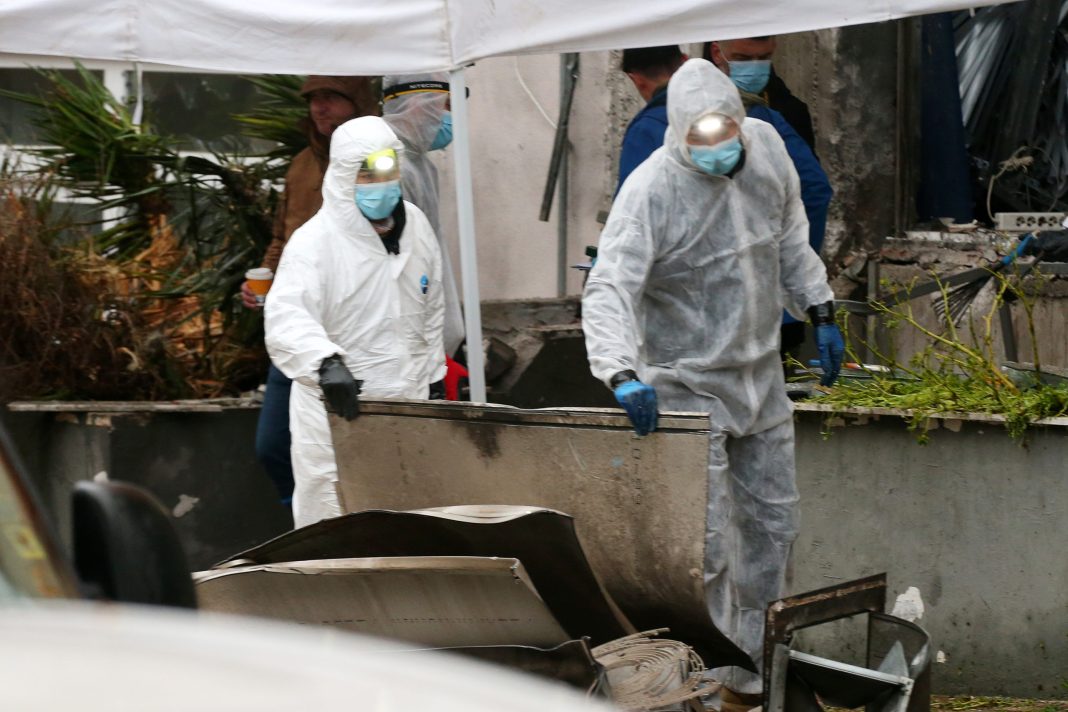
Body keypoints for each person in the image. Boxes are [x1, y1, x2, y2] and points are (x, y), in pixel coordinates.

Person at [582, 59, 844, 711]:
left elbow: (790, 238)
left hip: (759, 377)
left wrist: (820, 307)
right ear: (677, 134)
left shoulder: (769, 149)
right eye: (701, 140)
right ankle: (690, 687)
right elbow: (611, 284)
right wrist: (620, 370)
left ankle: (749, 683)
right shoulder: (652, 188)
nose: (717, 150)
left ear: (739, 120)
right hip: (684, 388)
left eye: (725, 133)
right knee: (705, 548)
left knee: (774, 530)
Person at [265, 116, 446, 528]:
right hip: (337, 416)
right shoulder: (315, 243)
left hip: (407, 410)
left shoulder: (415, 227)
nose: (382, 184)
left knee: (407, 523)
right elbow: (288, 317)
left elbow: (430, 305)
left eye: (388, 170)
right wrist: (324, 363)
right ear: (345, 174)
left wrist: (434, 374)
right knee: (337, 524)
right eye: (368, 173)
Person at [617, 46, 832, 364]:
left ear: (635, 79)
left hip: (689, 330)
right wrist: (784, 284)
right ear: (685, 60)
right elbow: (810, 196)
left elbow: (628, 242)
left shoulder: (649, 131)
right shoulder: (761, 120)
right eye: (744, 57)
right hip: (766, 320)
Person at [241, 76, 378, 505]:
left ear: (357, 102)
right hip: (298, 325)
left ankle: (350, 526)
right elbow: (282, 237)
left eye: (331, 98)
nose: (319, 108)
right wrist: (264, 279)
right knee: (274, 446)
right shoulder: (301, 164)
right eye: (314, 99)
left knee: (356, 453)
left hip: (358, 328)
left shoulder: (379, 164)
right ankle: (306, 525)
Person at [382, 75, 465, 358]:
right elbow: (400, 261)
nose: (451, 118)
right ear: (419, 103)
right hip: (408, 340)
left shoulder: (420, 165)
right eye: (447, 106)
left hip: (428, 337)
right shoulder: (394, 167)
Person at [703, 36, 816, 153]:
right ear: (717, 53)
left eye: (763, 58)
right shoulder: (698, 108)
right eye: (742, 59)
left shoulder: (791, 113)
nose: (754, 67)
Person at [617, 46, 687, 193]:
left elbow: (630, 200)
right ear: (685, 60)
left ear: (636, 80)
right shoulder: (721, 111)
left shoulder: (644, 132)